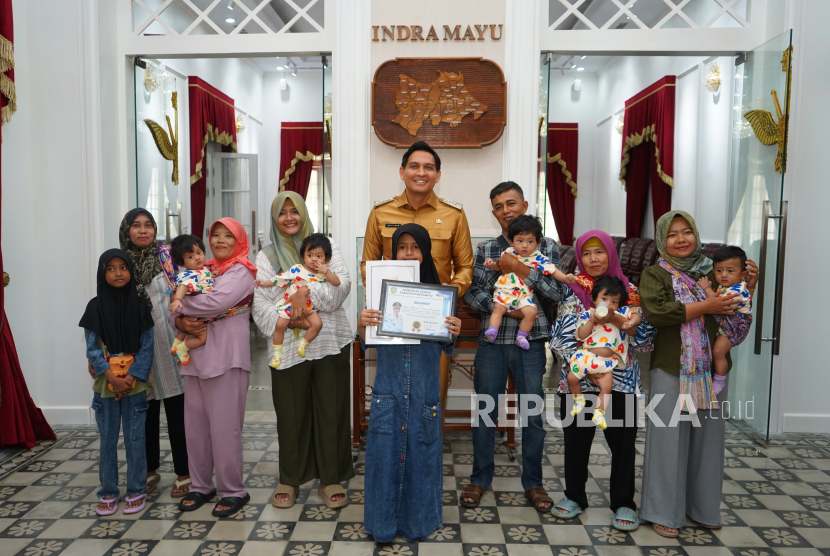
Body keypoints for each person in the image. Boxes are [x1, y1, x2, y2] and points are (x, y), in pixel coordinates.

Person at [639, 211, 758, 537]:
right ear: (663, 239)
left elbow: (735, 309)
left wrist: (749, 285)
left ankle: (702, 508)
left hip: (711, 370)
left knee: (708, 441)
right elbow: (658, 313)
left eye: (687, 231)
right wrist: (707, 306)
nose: (681, 239)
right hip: (671, 367)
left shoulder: (712, 270)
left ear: (696, 235)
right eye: (673, 233)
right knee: (668, 441)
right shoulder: (655, 274)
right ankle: (662, 510)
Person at [461, 181, 562, 512]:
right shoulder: (488, 248)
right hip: (492, 341)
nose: (506, 210)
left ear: (525, 204)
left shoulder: (547, 247)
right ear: (494, 213)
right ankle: (480, 478)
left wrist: (520, 268)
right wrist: (502, 307)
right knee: (485, 412)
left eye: (512, 203)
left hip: (530, 343)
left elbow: (556, 293)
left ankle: (533, 483)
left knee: (532, 415)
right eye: (499, 206)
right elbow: (472, 292)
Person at [358, 224, 462, 542]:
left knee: (423, 459)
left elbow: (447, 347)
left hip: (423, 396)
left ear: (426, 252)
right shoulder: (377, 295)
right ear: (393, 253)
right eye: (402, 247)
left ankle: (420, 523)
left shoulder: (439, 297)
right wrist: (364, 325)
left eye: (415, 246)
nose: (408, 252)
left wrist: (452, 331)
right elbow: (366, 344)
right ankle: (383, 525)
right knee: (383, 460)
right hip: (388, 396)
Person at [252, 192, 354, 509]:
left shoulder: (326, 245)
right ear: (275, 219)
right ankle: (290, 477)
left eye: (294, 211)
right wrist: (292, 316)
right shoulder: (266, 257)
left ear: (303, 213)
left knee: (331, 410)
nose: (289, 218)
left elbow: (341, 288)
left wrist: (305, 292)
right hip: (288, 345)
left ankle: (331, 477)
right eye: (281, 213)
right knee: (291, 413)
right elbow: (260, 303)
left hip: (330, 341)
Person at [361, 140, 473, 424]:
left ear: (437, 175)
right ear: (402, 172)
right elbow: (368, 264)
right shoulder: (380, 213)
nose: (421, 172)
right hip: (393, 321)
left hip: (435, 324)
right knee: (392, 396)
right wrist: (379, 297)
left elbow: (465, 267)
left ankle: (427, 458)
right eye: (414, 166)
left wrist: (442, 302)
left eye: (429, 167)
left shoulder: (454, 215)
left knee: (430, 400)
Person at [549, 230, 654, 531]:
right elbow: (559, 339)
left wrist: (620, 319)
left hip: (621, 383)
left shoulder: (629, 292)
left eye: (600, 252)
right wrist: (588, 369)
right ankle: (574, 497)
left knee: (623, 447)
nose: (593, 259)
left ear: (611, 253)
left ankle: (624, 503)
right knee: (576, 443)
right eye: (586, 253)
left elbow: (645, 339)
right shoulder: (572, 290)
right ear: (579, 257)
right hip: (579, 379)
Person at [172, 217, 256, 517]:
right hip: (194, 360)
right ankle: (200, 485)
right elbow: (174, 314)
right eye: (215, 235)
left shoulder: (242, 271)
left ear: (239, 240)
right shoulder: (202, 268)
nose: (220, 241)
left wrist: (179, 305)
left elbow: (215, 303)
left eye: (227, 236)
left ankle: (233, 491)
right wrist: (179, 318)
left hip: (227, 359)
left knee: (225, 430)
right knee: (195, 430)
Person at [118, 209, 190, 498]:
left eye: (148, 225)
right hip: (138, 348)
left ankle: (184, 472)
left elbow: (186, 290)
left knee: (177, 411)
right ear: (127, 231)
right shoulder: (120, 263)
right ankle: (149, 470)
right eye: (136, 226)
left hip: (171, 343)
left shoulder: (168, 259)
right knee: (144, 413)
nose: (143, 230)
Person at [80, 249, 154, 515]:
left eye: (123, 267)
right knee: (107, 440)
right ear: (102, 273)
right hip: (106, 387)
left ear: (131, 271)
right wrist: (111, 377)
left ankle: (136, 490)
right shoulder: (95, 306)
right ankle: (108, 491)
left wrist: (131, 377)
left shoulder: (141, 305)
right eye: (110, 268)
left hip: (135, 386)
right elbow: (92, 349)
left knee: (135, 439)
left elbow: (147, 347)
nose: (118, 273)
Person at [484, 214, 574, 348]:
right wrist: (491, 264)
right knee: (498, 309)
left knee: (532, 312)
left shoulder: (539, 258)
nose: (524, 245)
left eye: (530, 241)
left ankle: (521, 336)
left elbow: (554, 270)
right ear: (511, 241)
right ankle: (492, 331)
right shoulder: (508, 252)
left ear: (538, 243)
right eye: (520, 241)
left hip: (523, 295)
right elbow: (499, 266)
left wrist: (565, 277)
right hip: (505, 291)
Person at [255, 233, 341, 368]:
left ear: (327, 259)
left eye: (319, 256)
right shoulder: (297, 269)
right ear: (303, 256)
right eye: (310, 255)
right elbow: (280, 278)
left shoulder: (324, 273)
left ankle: (303, 342)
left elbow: (337, 283)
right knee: (279, 326)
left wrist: (327, 272)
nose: (314, 259)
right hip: (291, 305)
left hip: (310, 309)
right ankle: (278, 353)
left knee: (317, 324)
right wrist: (264, 283)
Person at [567, 275, 642, 429]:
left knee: (606, 388)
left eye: (614, 301)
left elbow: (636, 315)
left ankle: (599, 412)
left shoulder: (621, 313)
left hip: (607, 363)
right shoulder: (588, 314)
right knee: (572, 379)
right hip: (586, 357)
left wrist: (631, 322)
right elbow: (581, 335)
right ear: (594, 300)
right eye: (604, 299)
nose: (609, 305)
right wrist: (592, 320)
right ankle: (578, 399)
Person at [697, 245, 753, 394]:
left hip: (736, 326)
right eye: (719, 271)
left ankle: (719, 382)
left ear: (742, 275)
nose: (723, 276)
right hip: (727, 323)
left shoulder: (738, 290)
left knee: (718, 352)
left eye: (730, 271)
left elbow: (717, 302)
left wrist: (706, 288)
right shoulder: (727, 286)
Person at [168, 234, 214, 365]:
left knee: (185, 329)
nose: (197, 258)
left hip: (195, 309)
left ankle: (176, 342)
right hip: (196, 308)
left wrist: (212, 274)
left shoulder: (202, 270)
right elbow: (183, 286)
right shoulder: (190, 275)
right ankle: (181, 348)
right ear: (182, 263)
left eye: (198, 252)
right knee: (203, 337)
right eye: (190, 257)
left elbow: (206, 277)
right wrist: (177, 299)